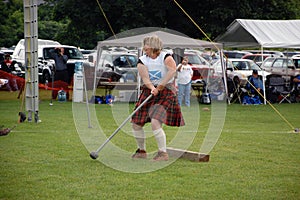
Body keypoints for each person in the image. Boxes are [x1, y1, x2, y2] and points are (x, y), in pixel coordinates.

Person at [131, 35, 185, 161]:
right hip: (149, 90)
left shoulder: (166, 57)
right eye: (144, 48)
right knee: (136, 123)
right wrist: (151, 88)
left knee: (155, 121)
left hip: (166, 91)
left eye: (147, 48)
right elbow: (145, 78)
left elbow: (172, 71)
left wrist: (160, 86)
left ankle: (162, 153)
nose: (145, 51)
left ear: (154, 47)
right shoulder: (142, 61)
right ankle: (141, 151)